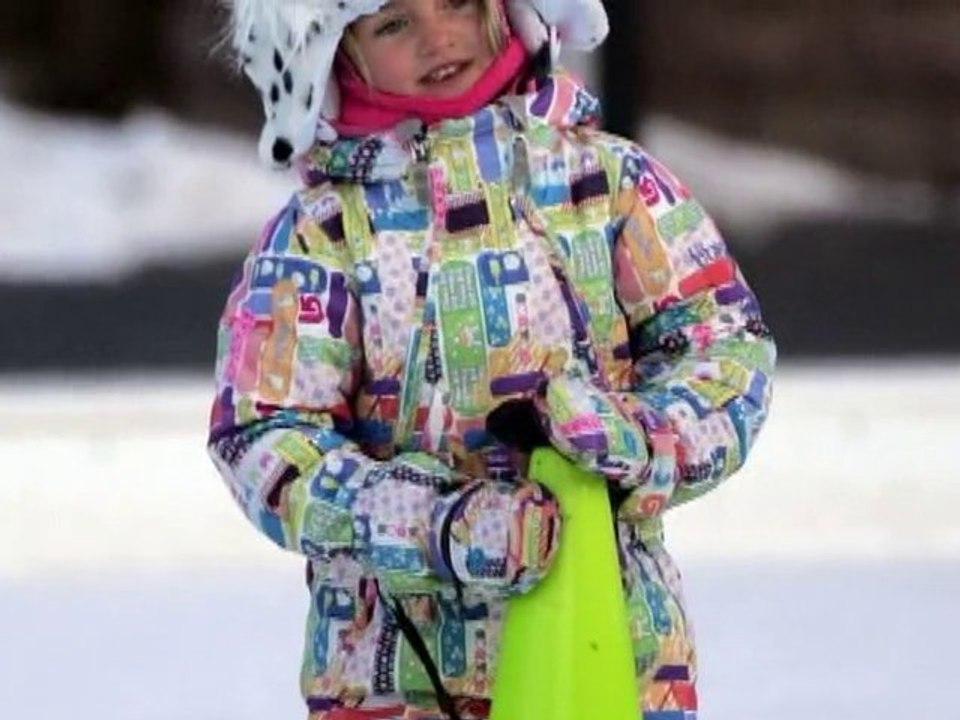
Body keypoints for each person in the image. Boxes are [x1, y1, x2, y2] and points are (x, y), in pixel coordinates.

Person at [208, 1, 776, 719]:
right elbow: (265, 435)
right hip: (397, 675)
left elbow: (723, 343)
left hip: (609, 650)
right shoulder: (318, 239)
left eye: (456, 3)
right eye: (392, 25)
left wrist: (642, 440)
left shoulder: (606, 185)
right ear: (326, 58)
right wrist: (434, 521)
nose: (437, 36)